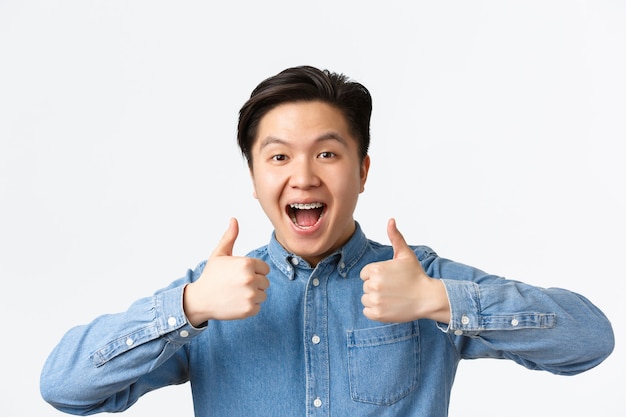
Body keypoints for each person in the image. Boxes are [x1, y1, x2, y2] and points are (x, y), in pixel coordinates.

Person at [40, 65, 614, 417]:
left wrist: (441, 301)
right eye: (279, 156)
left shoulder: (418, 279)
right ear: (254, 176)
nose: (305, 175)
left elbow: (590, 339)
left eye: (327, 153)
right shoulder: (212, 296)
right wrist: (186, 309)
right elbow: (64, 387)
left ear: (362, 171)